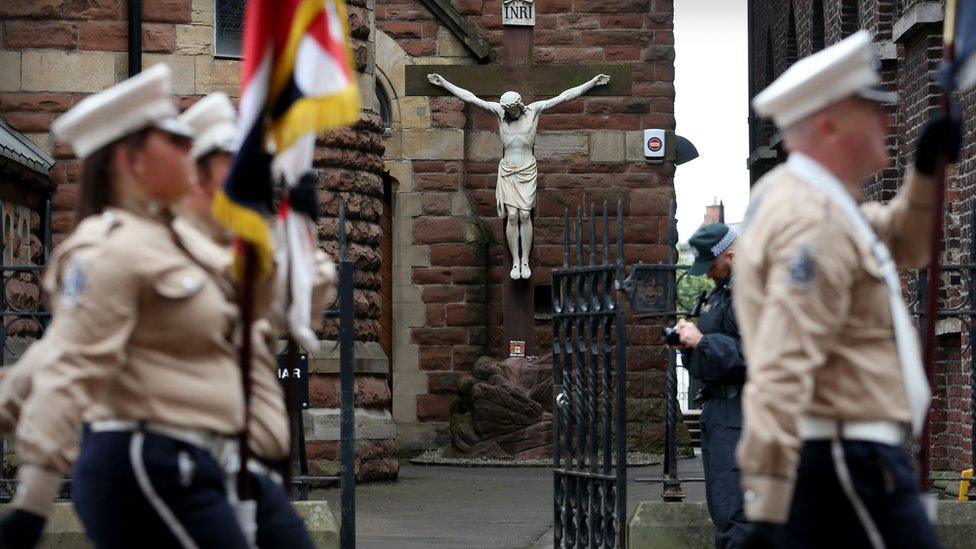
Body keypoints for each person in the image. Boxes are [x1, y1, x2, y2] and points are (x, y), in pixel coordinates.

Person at [0, 64, 252, 548]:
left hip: (187, 461)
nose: (190, 150)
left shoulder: (172, 242)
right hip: (147, 463)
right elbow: (70, 364)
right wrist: (33, 503)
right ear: (131, 160)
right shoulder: (108, 251)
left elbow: (51, 354)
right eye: (175, 141)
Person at [734, 30, 961, 548]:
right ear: (830, 124)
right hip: (845, 459)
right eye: (871, 109)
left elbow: (905, 240)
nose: (887, 119)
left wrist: (925, 173)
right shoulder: (811, 219)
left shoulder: (823, 204)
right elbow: (782, 362)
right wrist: (767, 507)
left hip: (850, 454)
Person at [176, 91, 335, 549]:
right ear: (201, 171)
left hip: (255, 461)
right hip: (199, 456)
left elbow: (299, 311)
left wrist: (302, 233)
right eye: (233, 161)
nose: (248, 172)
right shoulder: (178, 239)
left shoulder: (247, 241)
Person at [425, 72, 610, 279]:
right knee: (512, 216)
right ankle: (515, 261)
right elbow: (470, 97)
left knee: (524, 215)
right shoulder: (499, 112)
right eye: (507, 110)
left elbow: (564, 96)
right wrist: (444, 84)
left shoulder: (534, 111)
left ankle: (525, 260)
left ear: (519, 105)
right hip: (507, 171)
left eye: (513, 109)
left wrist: (592, 83)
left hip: (527, 169)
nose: (510, 113)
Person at [670, 222, 747, 549]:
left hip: (740, 414)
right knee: (725, 510)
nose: (709, 274)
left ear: (730, 254)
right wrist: (690, 349)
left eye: (711, 265)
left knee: (735, 514)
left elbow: (757, 356)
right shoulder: (723, 292)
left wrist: (703, 340)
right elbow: (716, 356)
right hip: (720, 412)